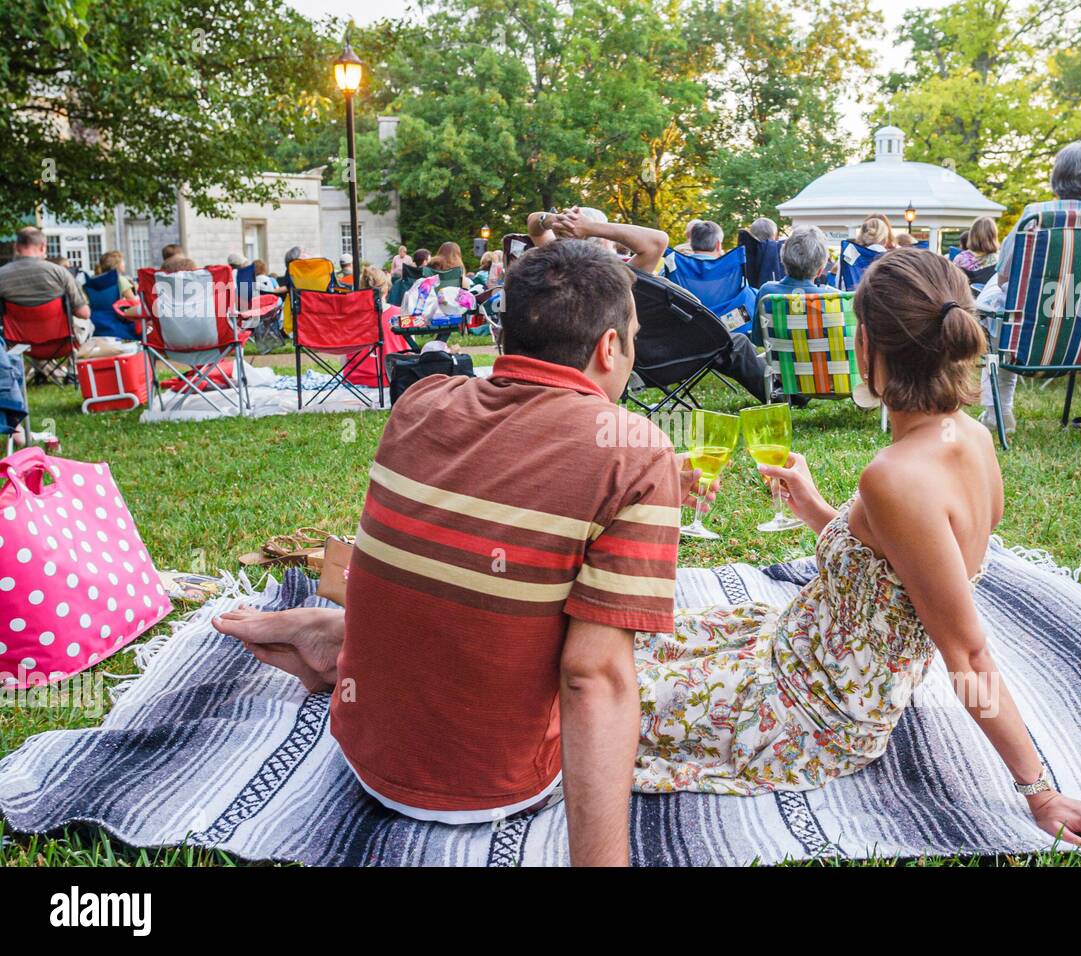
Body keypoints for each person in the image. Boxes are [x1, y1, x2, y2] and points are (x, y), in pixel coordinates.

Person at [214, 236, 716, 867]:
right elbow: (593, 678)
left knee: (450, 577)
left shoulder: (422, 402)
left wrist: (657, 482)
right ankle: (335, 637)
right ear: (609, 346)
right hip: (491, 787)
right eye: (634, 336)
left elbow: (512, 473)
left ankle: (340, 639)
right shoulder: (637, 451)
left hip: (363, 748)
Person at [634, 247, 1081, 849]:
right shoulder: (972, 438)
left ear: (871, 345)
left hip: (815, 707)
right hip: (797, 644)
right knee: (644, 638)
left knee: (609, 694)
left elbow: (970, 655)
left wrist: (1041, 791)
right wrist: (818, 511)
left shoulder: (895, 475)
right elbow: (898, 567)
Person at [975, 139, 1081, 434]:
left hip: (1027, 341)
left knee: (995, 298)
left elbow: (1004, 279)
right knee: (1009, 307)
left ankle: (999, 412)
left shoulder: (1037, 218)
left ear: (1058, 177)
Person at [551, 208, 771, 402]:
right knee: (737, 343)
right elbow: (657, 240)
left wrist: (561, 223)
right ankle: (783, 395)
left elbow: (534, 226)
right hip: (667, 358)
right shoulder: (618, 277)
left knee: (730, 344)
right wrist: (591, 227)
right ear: (601, 238)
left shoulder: (562, 281)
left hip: (636, 364)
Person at [0, 227, 93, 349]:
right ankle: (71, 366)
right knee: (88, 324)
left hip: (17, 345)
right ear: (43, 247)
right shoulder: (60, 273)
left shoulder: (2, 275)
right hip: (59, 343)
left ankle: (40, 368)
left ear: (16, 247)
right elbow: (84, 313)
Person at [754, 225, 838, 317]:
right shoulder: (833, 299)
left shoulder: (767, 293)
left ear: (783, 260)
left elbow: (758, 331)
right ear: (820, 271)